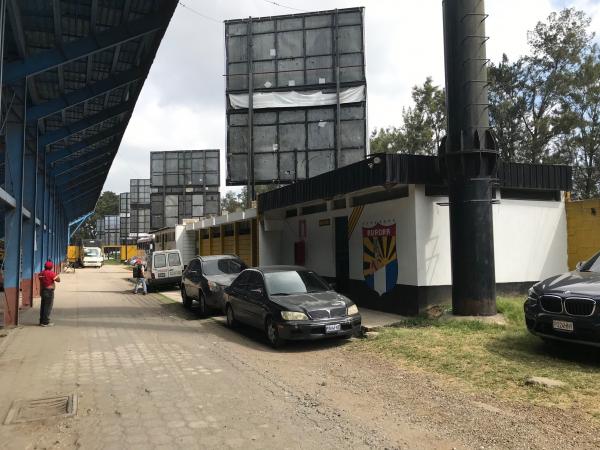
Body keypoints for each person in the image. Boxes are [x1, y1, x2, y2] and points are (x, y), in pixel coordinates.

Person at [39, 260, 60, 327]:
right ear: (51, 267)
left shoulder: (41, 273)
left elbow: (41, 282)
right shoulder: (51, 273)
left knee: (43, 306)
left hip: (43, 291)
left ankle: (41, 321)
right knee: (47, 307)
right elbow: (58, 280)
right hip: (49, 292)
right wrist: (56, 275)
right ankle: (45, 322)